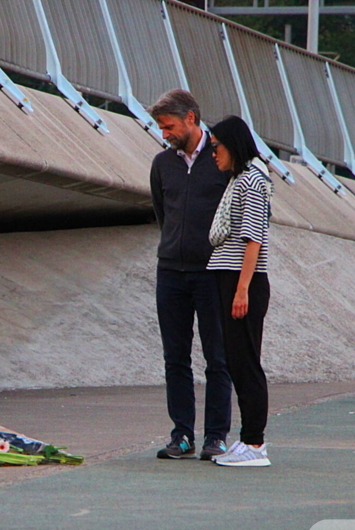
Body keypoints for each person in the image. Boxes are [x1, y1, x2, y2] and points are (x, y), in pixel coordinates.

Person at [148, 90, 232, 461]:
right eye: (161, 127)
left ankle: (216, 436)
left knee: (218, 357)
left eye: (169, 126)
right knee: (175, 358)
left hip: (213, 272)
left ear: (191, 119)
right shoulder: (162, 164)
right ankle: (182, 435)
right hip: (170, 272)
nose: (164, 133)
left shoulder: (223, 158)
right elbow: (162, 214)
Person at [205, 115, 273, 467]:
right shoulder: (240, 181)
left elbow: (253, 239)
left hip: (241, 279)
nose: (213, 153)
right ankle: (247, 440)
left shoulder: (252, 182)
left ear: (234, 145)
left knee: (245, 362)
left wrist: (242, 289)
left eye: (217, 147)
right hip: (230, 277)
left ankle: (255, 444)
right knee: (235, 360)